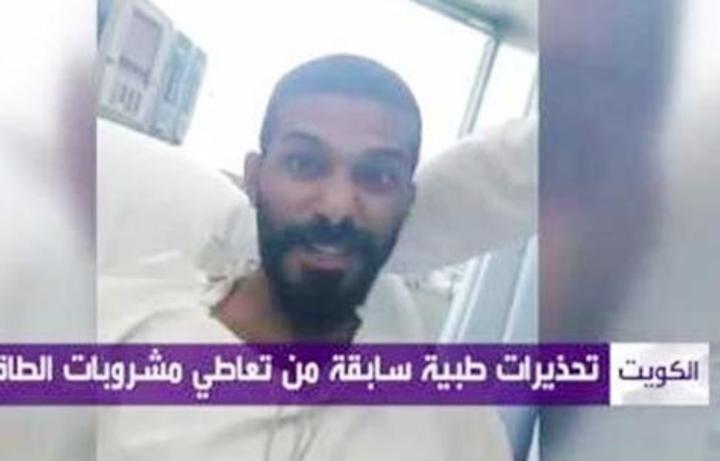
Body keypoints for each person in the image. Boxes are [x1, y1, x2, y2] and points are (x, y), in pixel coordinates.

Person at [98, 54, 527, 461]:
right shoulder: (116, 332)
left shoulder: (454, 426)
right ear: (254, 178)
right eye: (304, 164)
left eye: (377, 176)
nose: (337, 207)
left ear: (407, 203)